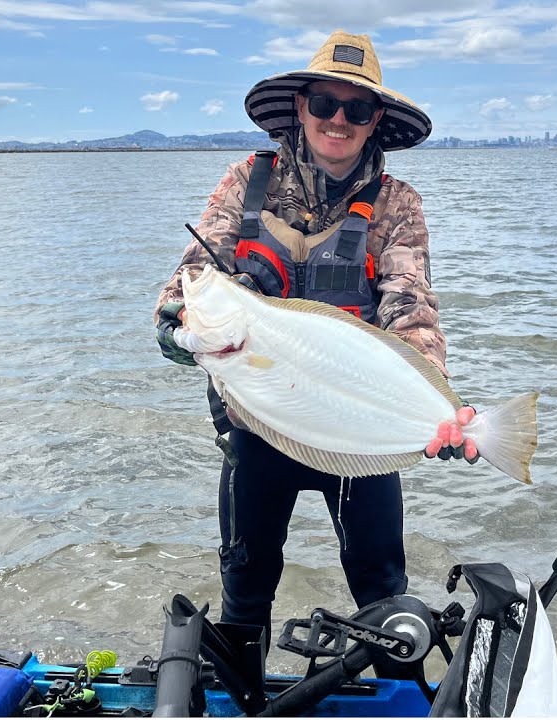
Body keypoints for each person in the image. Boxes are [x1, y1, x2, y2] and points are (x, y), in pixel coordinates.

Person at [152, 30, 475, 646]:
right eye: (324, 104)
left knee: (383, 586)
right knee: (244, 581)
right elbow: (189, 278)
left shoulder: (398, 204)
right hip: (255, 420)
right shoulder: (247, 181)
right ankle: (242, 700)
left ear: (374, 119)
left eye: (356, 109)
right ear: (300, 106)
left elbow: (410, 305)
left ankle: (401, 702)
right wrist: (172, 324)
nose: (338, 120)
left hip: (357, 428)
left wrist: (440, 403)